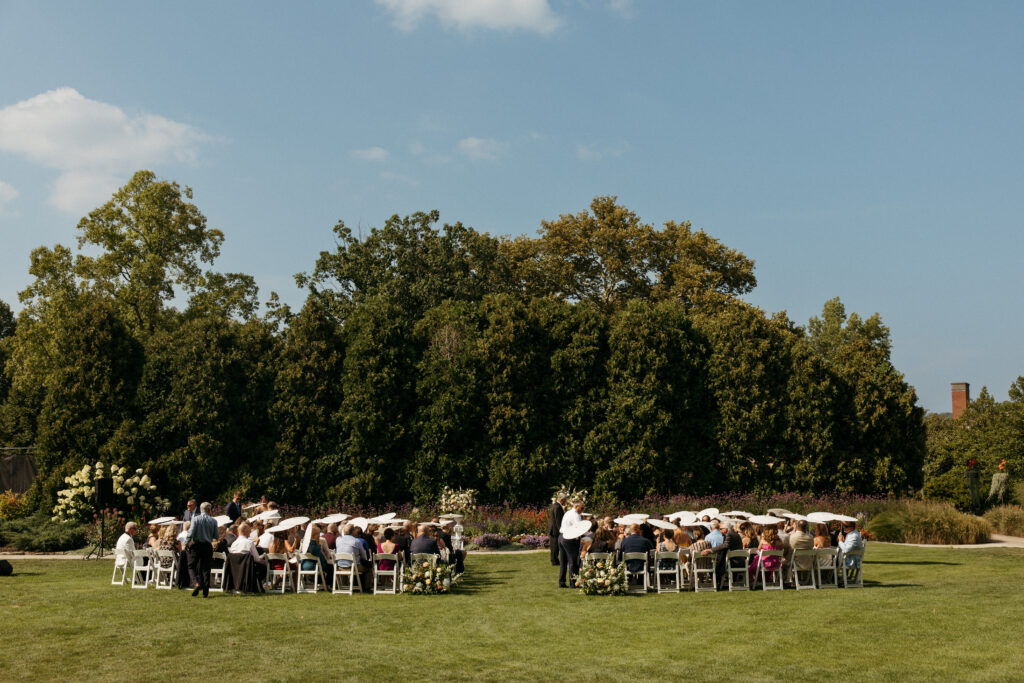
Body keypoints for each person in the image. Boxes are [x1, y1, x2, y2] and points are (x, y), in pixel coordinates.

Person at [185, 502, 218, 597]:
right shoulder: (213, 521)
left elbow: (190, 533)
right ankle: (205, 591)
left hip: (196, 545)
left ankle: (196, 583)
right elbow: (216, 535)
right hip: (208, 546)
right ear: (209, 510)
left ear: (200, 509)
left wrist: (186, 543)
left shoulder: (195, 519)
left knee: (191, 566)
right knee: (206, 568)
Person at [336, 523, 371, 590]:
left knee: (347, 563)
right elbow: (364, 557)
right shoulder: (356, 541)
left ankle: (344, 585)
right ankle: (366, 588)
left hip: (340, 567)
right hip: (353, 567)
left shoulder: (338, 540)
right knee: (368, 567)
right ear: (352, 532)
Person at [557, 501, 584, 588]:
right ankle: (573, 583)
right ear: (576, 507)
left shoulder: (568, 512)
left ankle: (562, 582)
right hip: (569, 539)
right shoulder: (575, 515)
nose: (582, 510)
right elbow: (579, 528)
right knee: (572, 561)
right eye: (582, 508)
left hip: (561, 537)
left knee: (563, 562)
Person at [548, 495, 566, 565]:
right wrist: (561, 530)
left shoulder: (555, 505)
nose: (566, 502)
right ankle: (554, 561)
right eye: (565, 500)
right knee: (555, 546)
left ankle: (554, 560)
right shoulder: (558, 507)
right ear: (561, 499)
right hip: (555, 530)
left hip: (553, 529)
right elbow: (558, 520)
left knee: (554, 546)